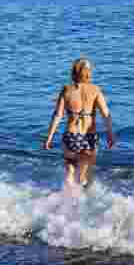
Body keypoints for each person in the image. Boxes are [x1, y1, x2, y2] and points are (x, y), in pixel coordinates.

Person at [43, 58, 115, 189]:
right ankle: (84, 203)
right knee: (85, 175)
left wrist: (49, 137)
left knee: (70, 168)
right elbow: (106, 114)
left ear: (74, 72)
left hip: (71, 136)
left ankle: (67, 196)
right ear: (88, 73)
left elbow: (58, 115)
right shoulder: (95, 90)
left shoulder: (66, 89)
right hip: (89, 137)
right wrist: (111, 134)